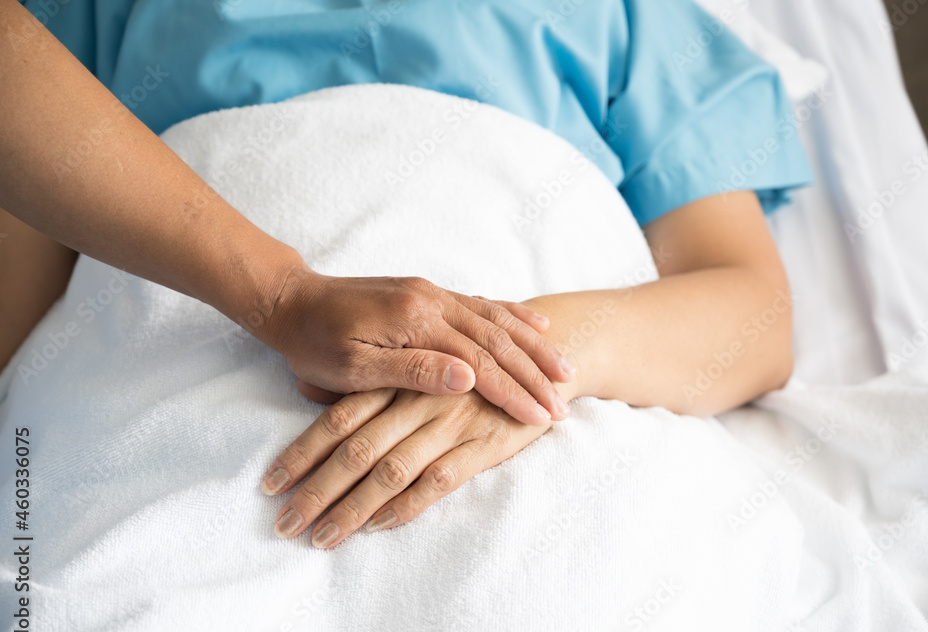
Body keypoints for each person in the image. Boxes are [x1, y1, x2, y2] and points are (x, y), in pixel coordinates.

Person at [1, 0, 812, 550]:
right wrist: (278, 296)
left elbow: (751, 310)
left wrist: (512, 361)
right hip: (175, 400)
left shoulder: (633, 15)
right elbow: (23, 329)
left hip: (542, 415)